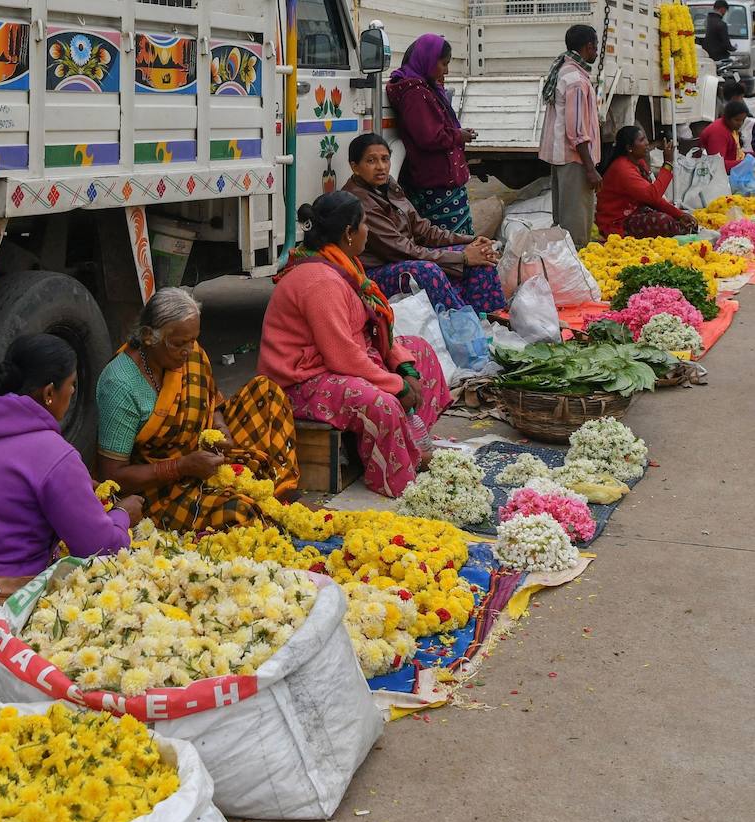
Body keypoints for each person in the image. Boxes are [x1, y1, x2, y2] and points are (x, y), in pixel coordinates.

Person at [0, 334, 143, 661]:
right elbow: (102, 549)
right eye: (73, 385)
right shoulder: (54, 454)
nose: (73, 394)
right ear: (50, 393)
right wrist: (123, 513)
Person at [259, 191, 452, 499]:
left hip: (341, 360)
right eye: (364, 224)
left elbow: (375, 331)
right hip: (301, 382)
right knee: (383, 403)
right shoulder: (320, 281)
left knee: (421, 355)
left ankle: (409, 442)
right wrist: (396, 385)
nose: (368, 230)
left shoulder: (345, 265)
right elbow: (343, 357)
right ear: (349, 233)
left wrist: (403, 366)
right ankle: (397, 480)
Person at [96, 287, 301, 531]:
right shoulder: (120, 383)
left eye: (193, 340)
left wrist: (220, 427)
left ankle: (274, 494)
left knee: (267, 393)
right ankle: (251, 503)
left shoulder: (190, 354)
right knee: (240, 514)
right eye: (179, 343)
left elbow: (211, 402)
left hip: (202, 458)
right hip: (158, 488)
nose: (189, 351)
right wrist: (181, 466)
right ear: (148, 336)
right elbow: (114, 477)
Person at [342, 133, 506, 315]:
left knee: (481, 255)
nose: (381, 167)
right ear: (355, 167)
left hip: (406, 256)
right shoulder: (360, 201)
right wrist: (463, 258)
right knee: (427, 271)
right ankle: (460, 324)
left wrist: (471, 240)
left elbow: (424, 230)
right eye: (371, 161)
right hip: (375, 272)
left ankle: (487, 320)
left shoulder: (388, 185)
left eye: (385, 159)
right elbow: (401, 250)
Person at [386, 34, 477, 233]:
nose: (446, 70)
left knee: (456, 241)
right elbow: (429, 137)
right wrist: (457, 136)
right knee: (450, 242)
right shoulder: (416, 94)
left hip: (441, 180)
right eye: (443, 64)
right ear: (427, 60)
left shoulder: (424, 89)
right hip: (436, 182)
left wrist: (456, 133)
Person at [540, 25, 602, 249]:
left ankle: (565, 267)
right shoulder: (576, 79)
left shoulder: (563, 71)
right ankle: (575, 270)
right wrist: (590, 169)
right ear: (588, 47)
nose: (596, 52)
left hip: (563, 158)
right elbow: (576, 130)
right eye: (595, 47)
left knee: (563, 220)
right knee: (575, 227)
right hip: (574, 160)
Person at [596, 126, 700, 238]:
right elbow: (653, 195)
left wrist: (680, 215)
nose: (646, 143)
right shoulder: (622, 168)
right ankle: (683, 229)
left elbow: (654, 199)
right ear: (629, 148)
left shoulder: (639, 163)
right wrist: (668, 164)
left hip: (635, 212)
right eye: (641, 140)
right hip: (616, 222)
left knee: (668, 214)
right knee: (663, 221)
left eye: (645, 139)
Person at [699, 99, 751, 171]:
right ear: (727, 118)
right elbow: (717, 166)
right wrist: (746, 164)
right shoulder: (718, 133)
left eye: (743, 120)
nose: (740, 123)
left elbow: (736, 153)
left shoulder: (731, 128)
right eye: (737, 120)